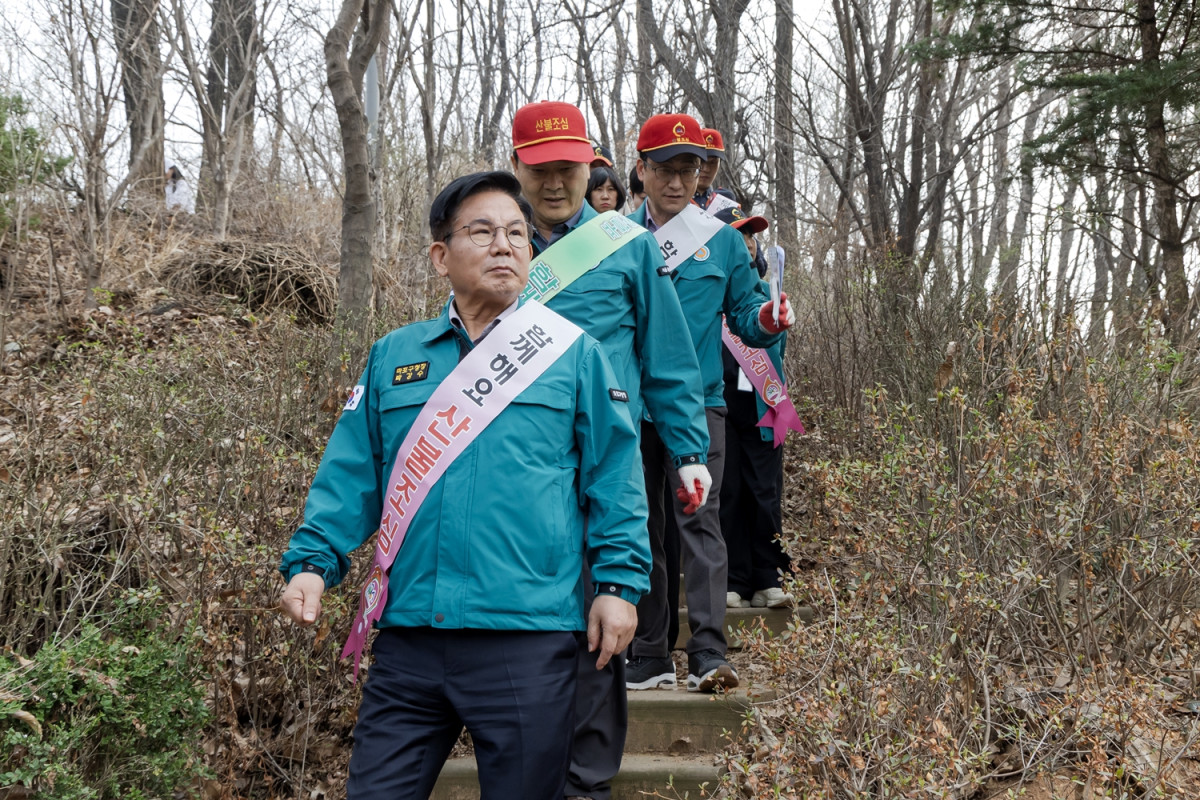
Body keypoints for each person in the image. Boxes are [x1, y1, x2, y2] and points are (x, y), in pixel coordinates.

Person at [277, 171, 651, 800]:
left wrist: (618, 585)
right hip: (410, 643)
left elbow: (615, 478)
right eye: (482, 232)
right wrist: (314, 561)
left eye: (516, 234)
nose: (504, 245)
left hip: (527, 637)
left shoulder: (574, 354)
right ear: (440, 256)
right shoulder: (395, 356)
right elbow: (354, 471)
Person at [508, 100, 709, 800]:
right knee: (530, 619)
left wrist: (688, 448)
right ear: (518, 170)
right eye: (540, 171)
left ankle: (587, 776)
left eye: (568, 168)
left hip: (606, 462)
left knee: (604, 612)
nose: (556, 184)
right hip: (516, 468)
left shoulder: (627, 244)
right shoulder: (494, 242)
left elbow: (669, 356)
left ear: (590, 163)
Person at [627, 112, 795, 694]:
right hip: (630, 409)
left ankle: (708, 652)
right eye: (665, 170)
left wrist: (769, 321)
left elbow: (748, 315)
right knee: (642, 527)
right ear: (641, 170)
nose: (678, 182)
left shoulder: (721, 240)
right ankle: (649, 653)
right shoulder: (616, 241)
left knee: (701, 523)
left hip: (701, 407)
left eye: (689, 170)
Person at [711, 206, 795, 610]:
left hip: (762, 406)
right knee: (727, 492)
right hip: (719, 406)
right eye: (736, 236)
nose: (745, 244)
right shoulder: (706, 294)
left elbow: (777, 351)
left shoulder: (766, 294)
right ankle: (733, 578)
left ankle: (769, 577)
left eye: (750, 237)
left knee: (765, 492)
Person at [693, 128, 737, 210]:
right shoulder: (675, 199)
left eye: (713, 162)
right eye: (702, 161)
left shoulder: (726, 200)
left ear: (719, 164)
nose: (706, 169)